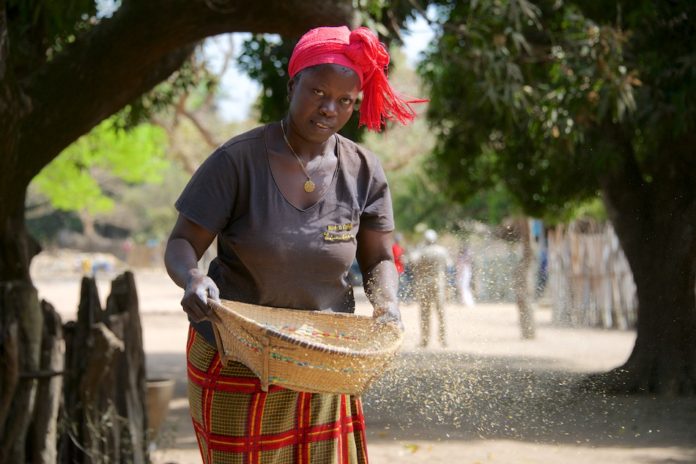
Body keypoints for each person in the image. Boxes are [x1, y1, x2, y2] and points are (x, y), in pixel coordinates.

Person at [164, 25, 422, 464]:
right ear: (292, 84)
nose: (330, 109)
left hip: (320, 357)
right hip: (235, 354)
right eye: (318, 92)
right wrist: (193, 278)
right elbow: (183, 242)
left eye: (345, 101)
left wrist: (388, 306)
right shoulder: (237, 160)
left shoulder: (363, 170)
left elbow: (378, 257)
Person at [412, 229, 450, 348]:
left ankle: (424, 340)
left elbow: (412, 262)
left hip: (424, 284)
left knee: (425, 313)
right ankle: (443, 339)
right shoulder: (442, 251)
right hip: (439, 284)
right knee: (441, 312)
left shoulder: (421, 251)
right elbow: (449, 265)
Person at [455, 242, 475, 307]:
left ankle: (467, 302)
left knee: (463, 287)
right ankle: (465, 302)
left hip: (464, 273)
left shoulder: (463, 257)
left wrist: (459, 275)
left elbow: (460, 267)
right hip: (465, 272)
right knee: (464, 287)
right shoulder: (465, 257)